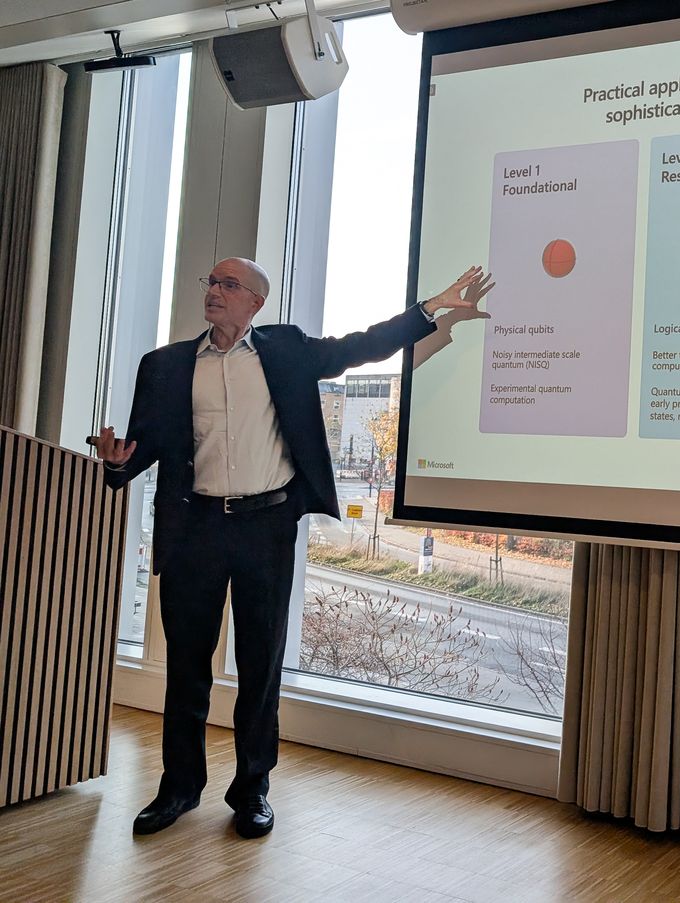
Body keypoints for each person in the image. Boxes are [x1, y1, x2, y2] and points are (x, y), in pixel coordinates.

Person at [96, 257, 493, 838]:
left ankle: (252, 790)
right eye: (211, 281)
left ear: (256, 302)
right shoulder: (165, 365)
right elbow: (142, 447)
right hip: (195, 529)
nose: (215, 290)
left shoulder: (286, 350)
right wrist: (117, 463)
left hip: (265, 528)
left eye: (230, 284)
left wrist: (431, 307)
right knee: (186, 669)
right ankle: (178, 787)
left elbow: (364, 344)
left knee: (261, 666)